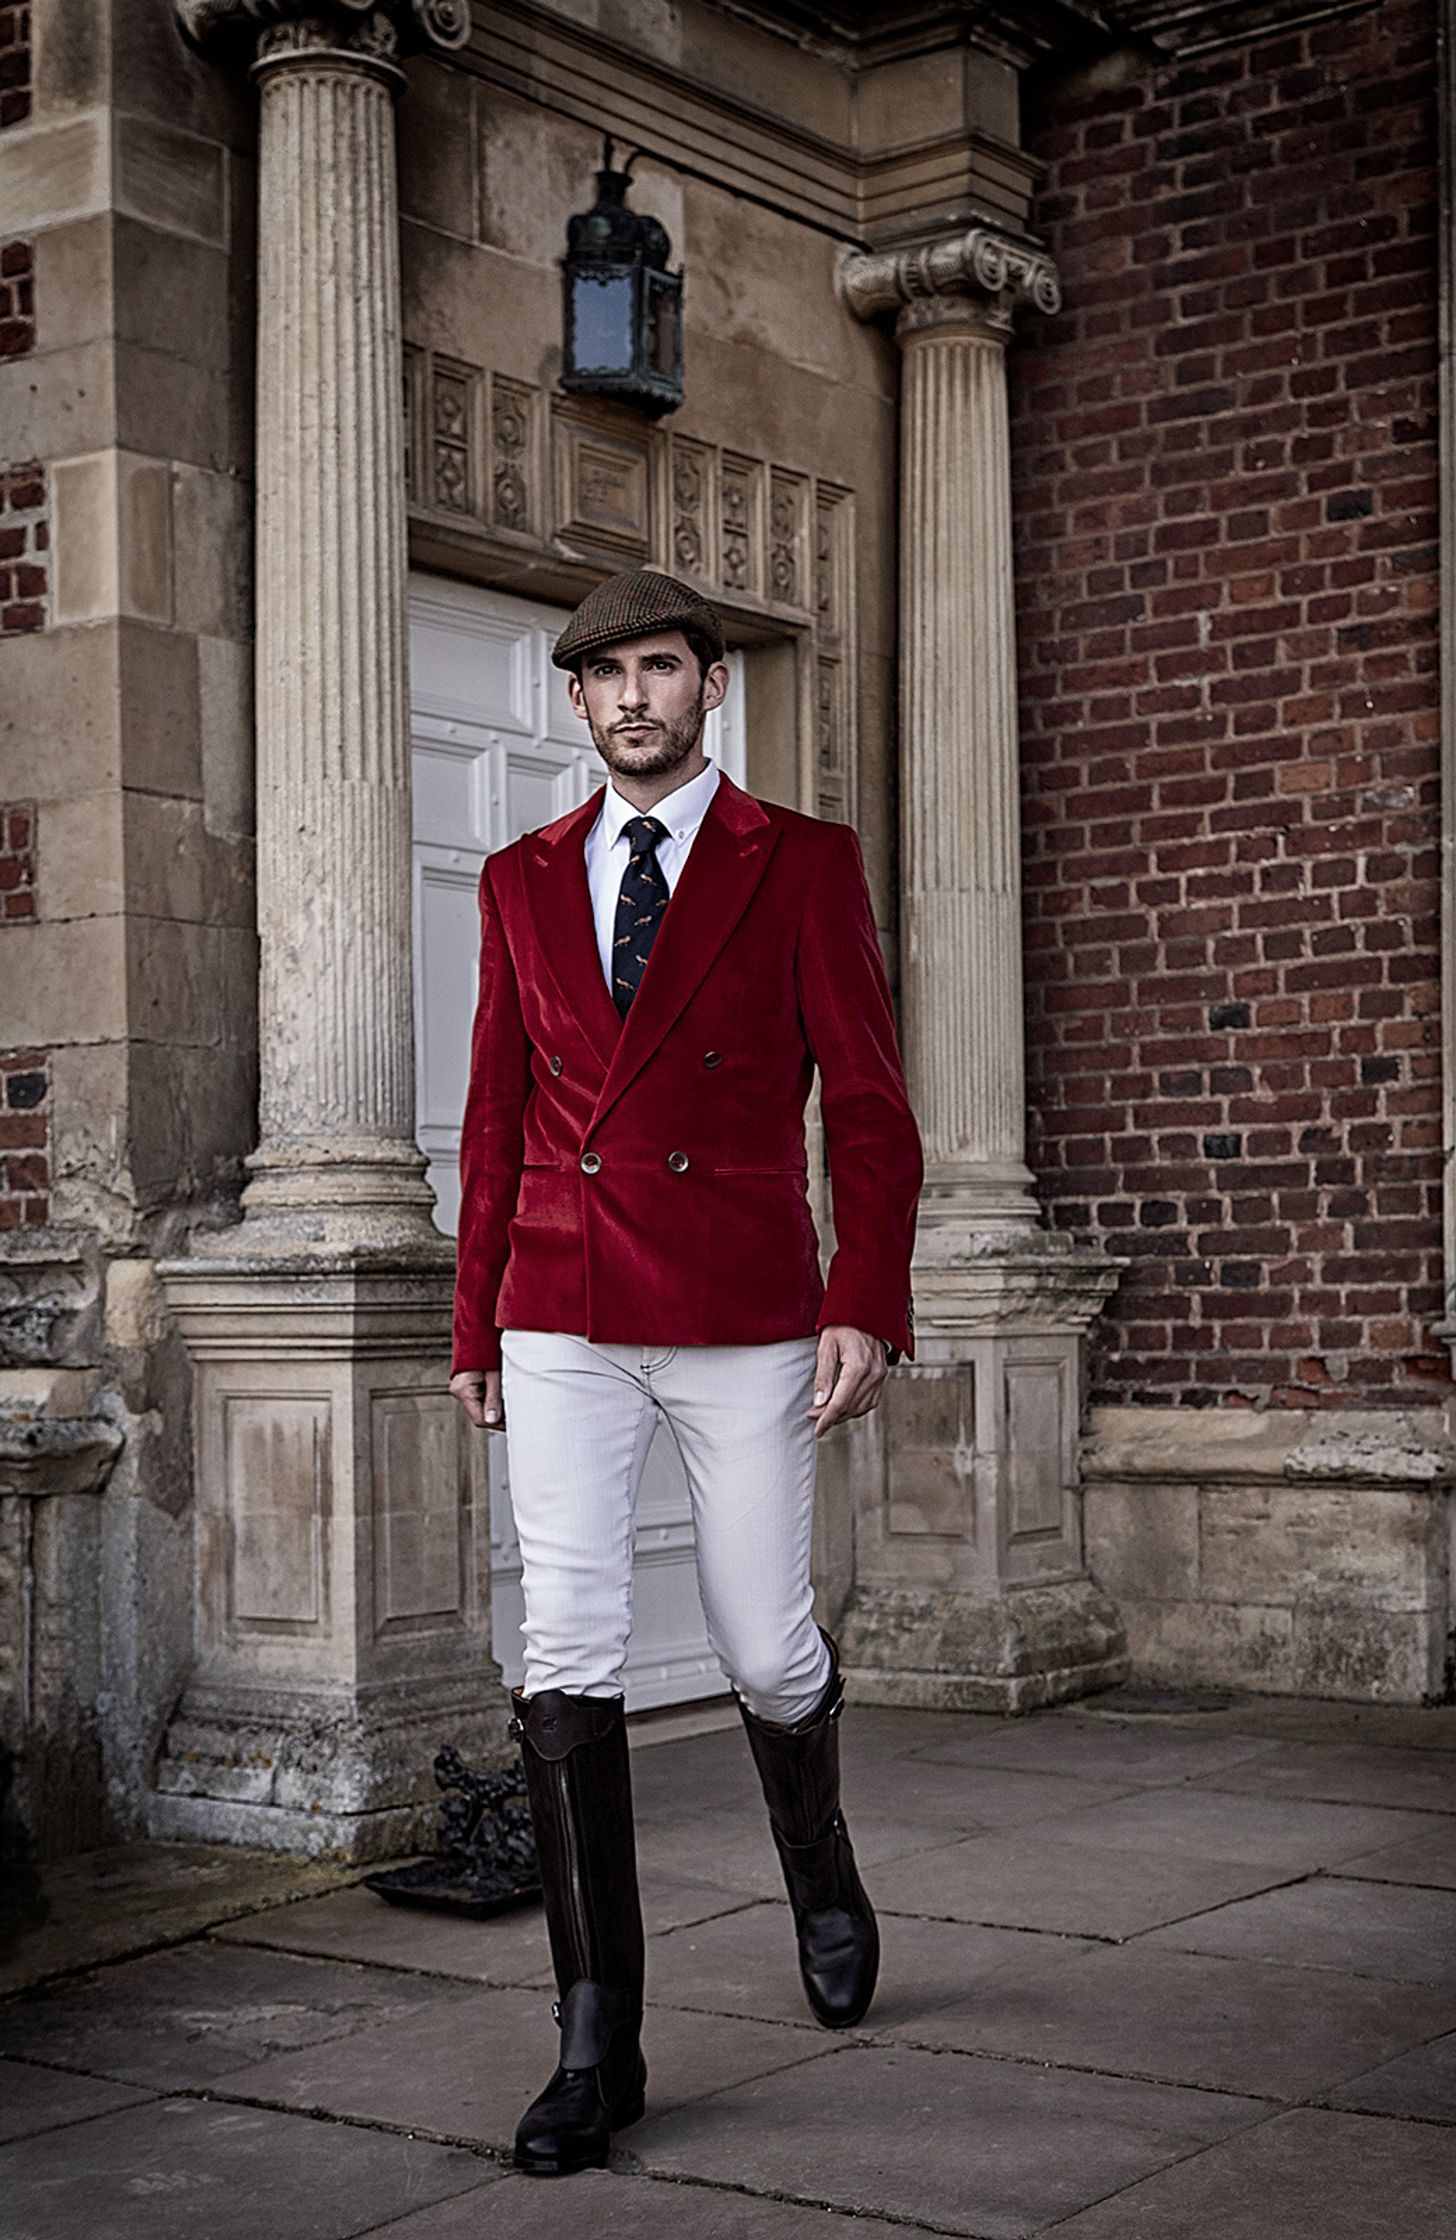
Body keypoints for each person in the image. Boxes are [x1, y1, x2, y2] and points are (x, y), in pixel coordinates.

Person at [449, 566, 922, 2177]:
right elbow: (496, 1115)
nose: (635, 696)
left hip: (741, 1304)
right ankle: (599, 2040)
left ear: (711, 686)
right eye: (606, 675)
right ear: (575, 701)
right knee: (568, 1635)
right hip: (564, 1303)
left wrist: (867, 1290)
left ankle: (823, 1863)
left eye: (663, 667)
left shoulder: (800, 862)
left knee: (763, 1640)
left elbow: (865, 1101)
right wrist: (475, 1323)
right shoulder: (520, 878)